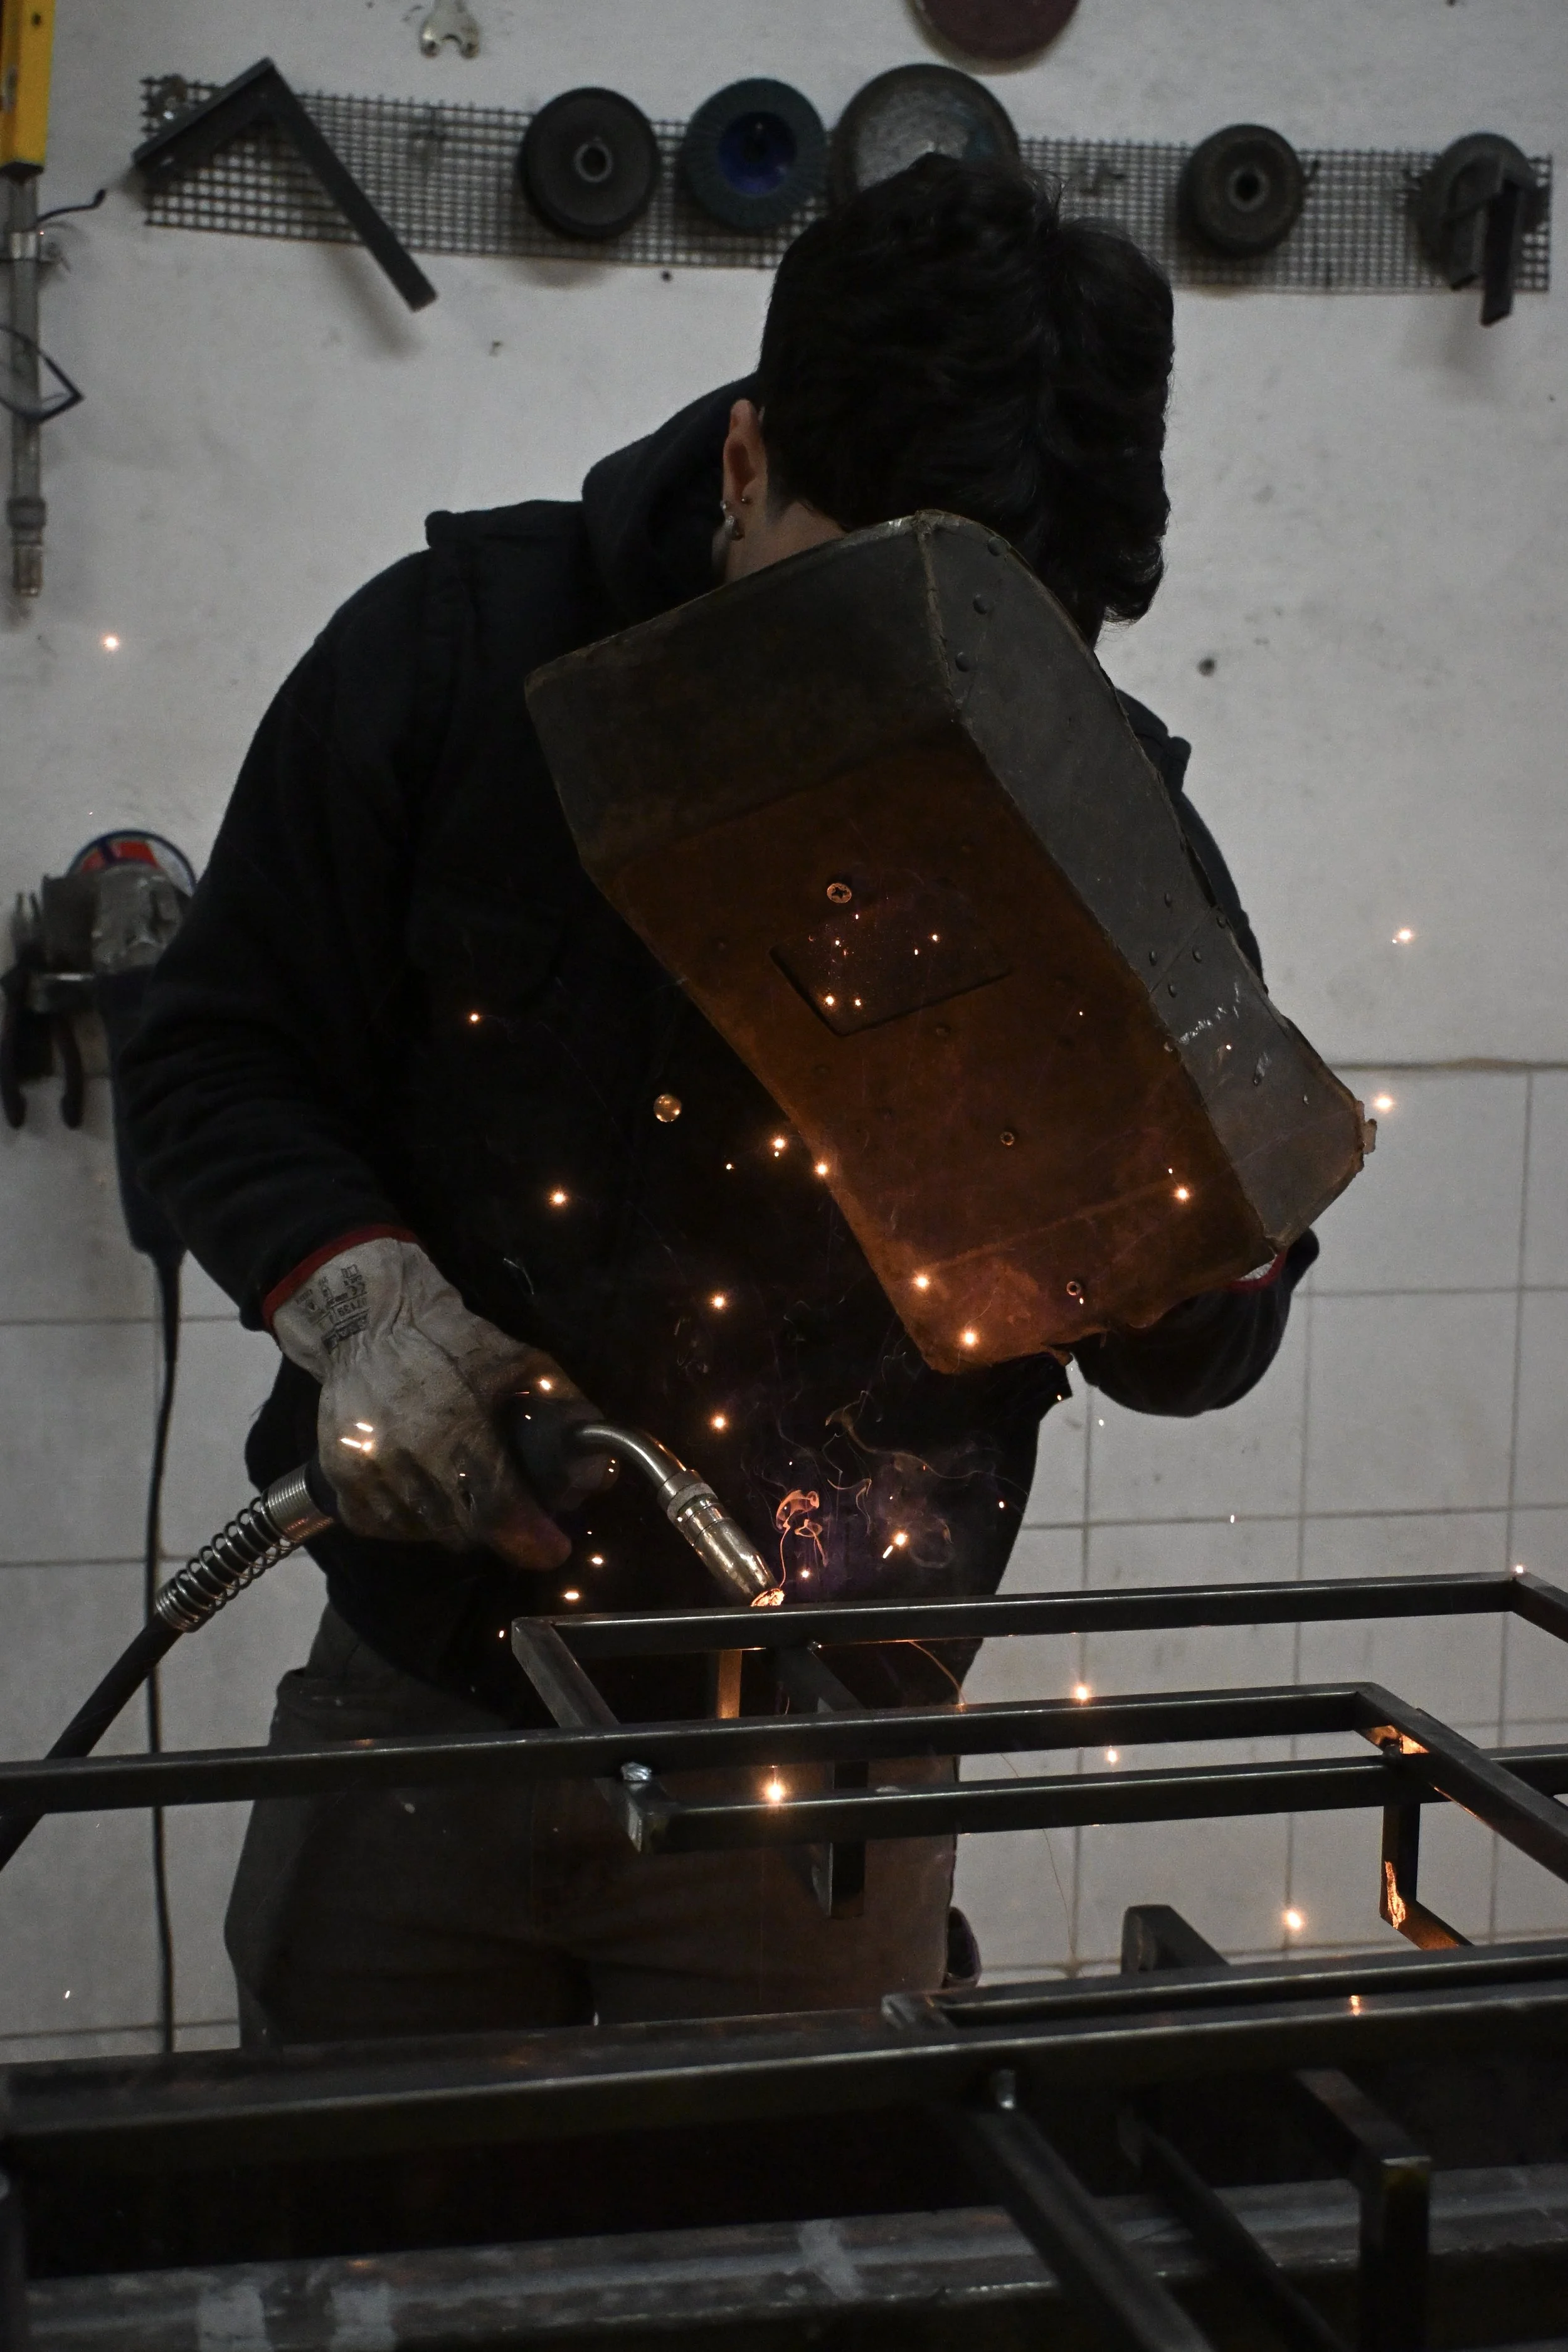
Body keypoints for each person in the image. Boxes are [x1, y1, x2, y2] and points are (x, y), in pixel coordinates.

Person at [122, 156, 1316, 2045]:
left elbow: (1195, 1353)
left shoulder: (1108, 819)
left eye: (1002, 656)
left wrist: (1176, 1249)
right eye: (859, 627)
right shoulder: (453, 657)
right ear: (746, 468)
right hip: (424, 1692)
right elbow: (215, 1046)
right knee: (338, 2252)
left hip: (812, 1767)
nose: (916, 725)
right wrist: (361, 1303)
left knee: (794, 2265)